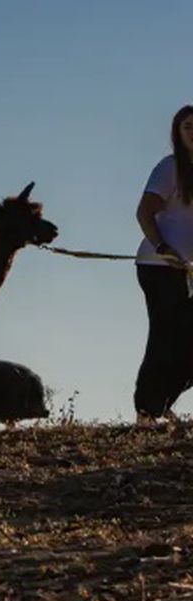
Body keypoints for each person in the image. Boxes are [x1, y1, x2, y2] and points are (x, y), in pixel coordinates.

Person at [134, 105, 193, 424]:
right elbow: (144, 211)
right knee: (165, 336)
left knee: (185, 338)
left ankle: (162, 401)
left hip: (188, 270)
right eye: (188, 126)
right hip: (159, 266)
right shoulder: (170, 168)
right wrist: (162, 246)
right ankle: (147, 410)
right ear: (177, 132)